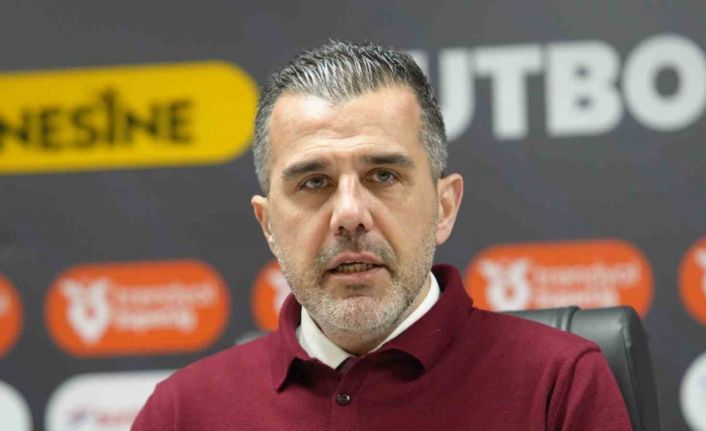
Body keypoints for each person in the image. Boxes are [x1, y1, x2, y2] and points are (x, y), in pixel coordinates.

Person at [131, 41, 632, 430]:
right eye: (314, 182)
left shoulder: (560, 383)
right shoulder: (181, 412)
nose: (350, 215)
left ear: (444, 206)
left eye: (384, 175)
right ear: (268, 226)